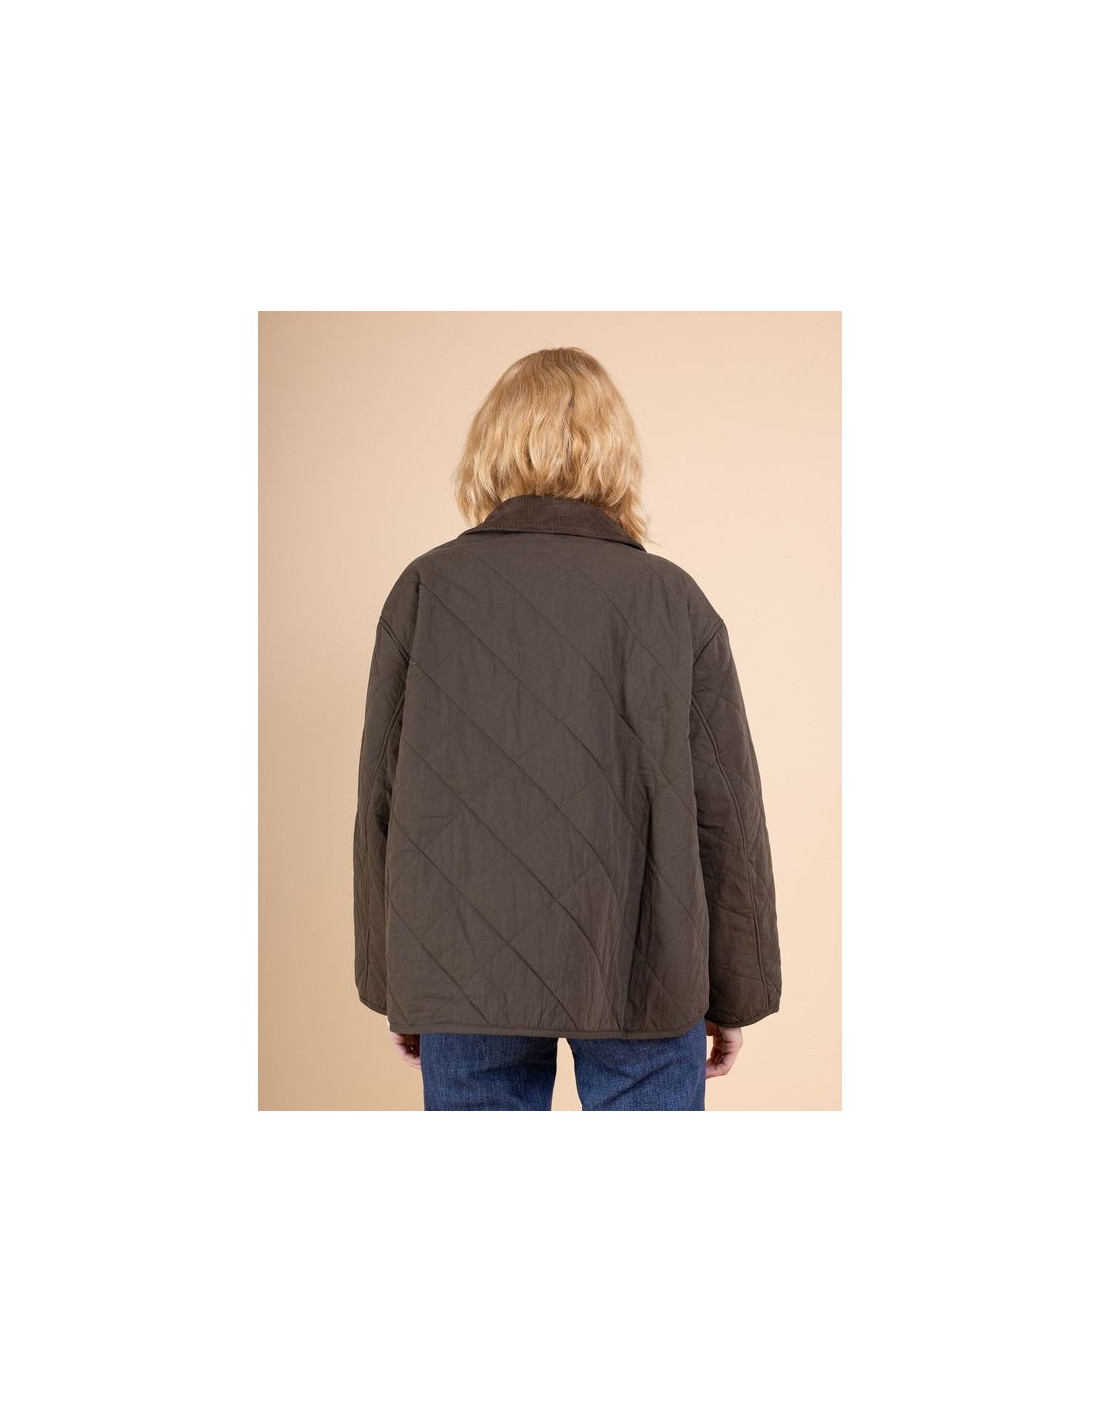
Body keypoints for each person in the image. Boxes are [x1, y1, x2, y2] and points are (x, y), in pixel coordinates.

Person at [353, 347, 781, 1110]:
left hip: (462, 969)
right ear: (615, 452)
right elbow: (726, 816)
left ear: (490, 446)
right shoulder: (670, 599)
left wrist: (402, 983)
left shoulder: (427, 589)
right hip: (643, 969)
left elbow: (381, 800)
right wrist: (734, 993)